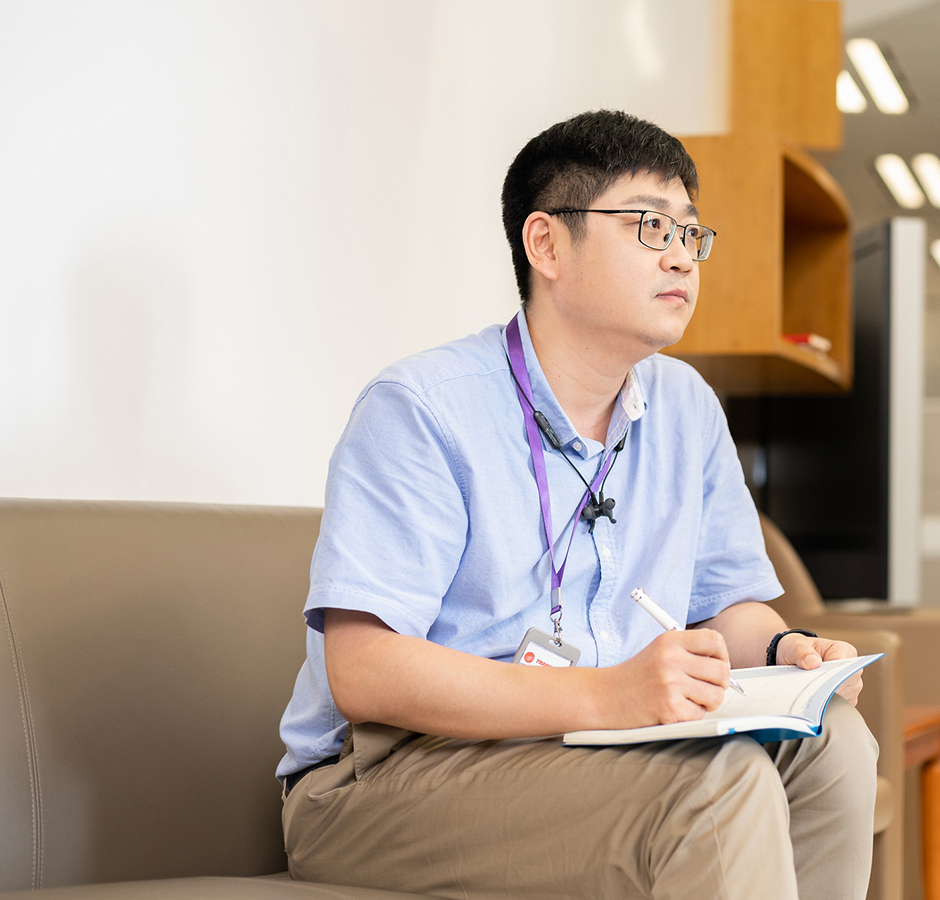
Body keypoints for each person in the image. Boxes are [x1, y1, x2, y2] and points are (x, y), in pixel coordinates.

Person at [275, 109, 877, 900]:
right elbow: (365, 671)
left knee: (833, 745)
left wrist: (786, 652)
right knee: (715, 786)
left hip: (584, 746)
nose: (681, 259)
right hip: (383, 775)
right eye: (648, 227)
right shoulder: (422, 407)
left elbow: (731, 609)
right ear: (547, 245)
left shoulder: (685, 407)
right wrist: (607, 693)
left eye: (690, 234)